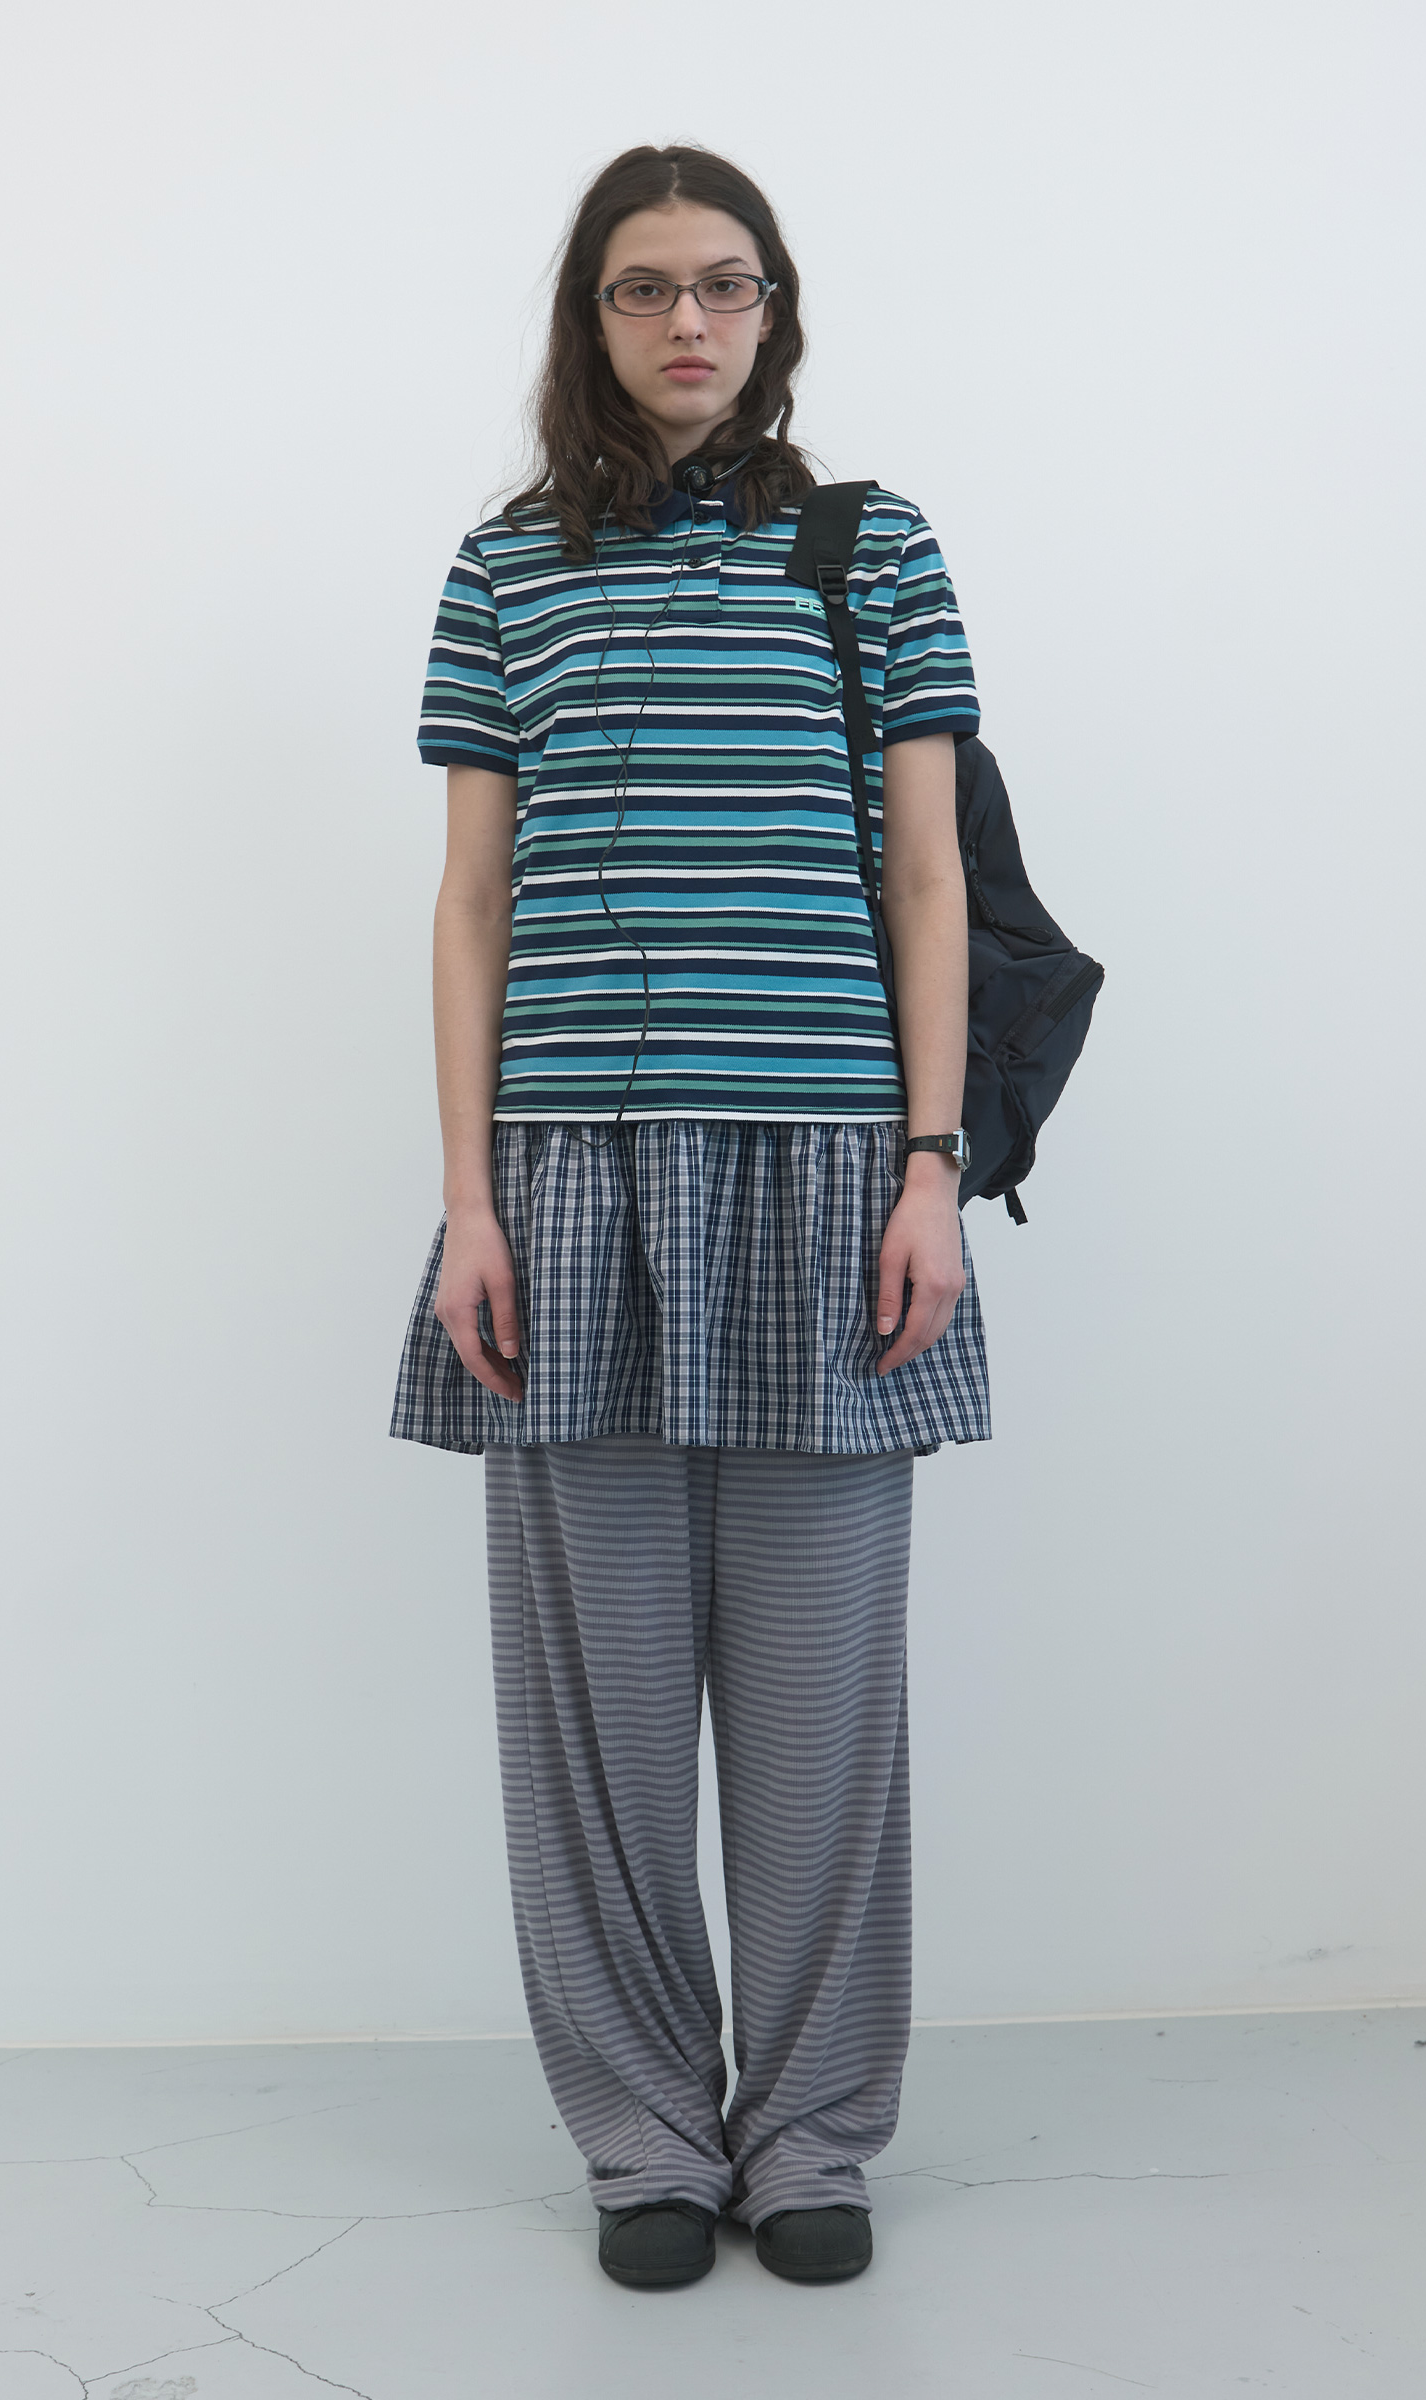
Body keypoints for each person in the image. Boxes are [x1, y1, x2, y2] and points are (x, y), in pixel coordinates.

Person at [391, 142, 990, 2291]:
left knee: (823, 1703)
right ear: (593, 316)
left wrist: (930, 1168)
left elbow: (925, 876)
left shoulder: (871, 547)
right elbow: (475, 901)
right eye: (646, 288)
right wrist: (467, 1201)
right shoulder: (505, 568)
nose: (690, 323)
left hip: (830, 1175)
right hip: (569, 1183)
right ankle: (645, 2138)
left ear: (774, 310)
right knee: (602, 1713)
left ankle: (810, 2140)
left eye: (728, 285)